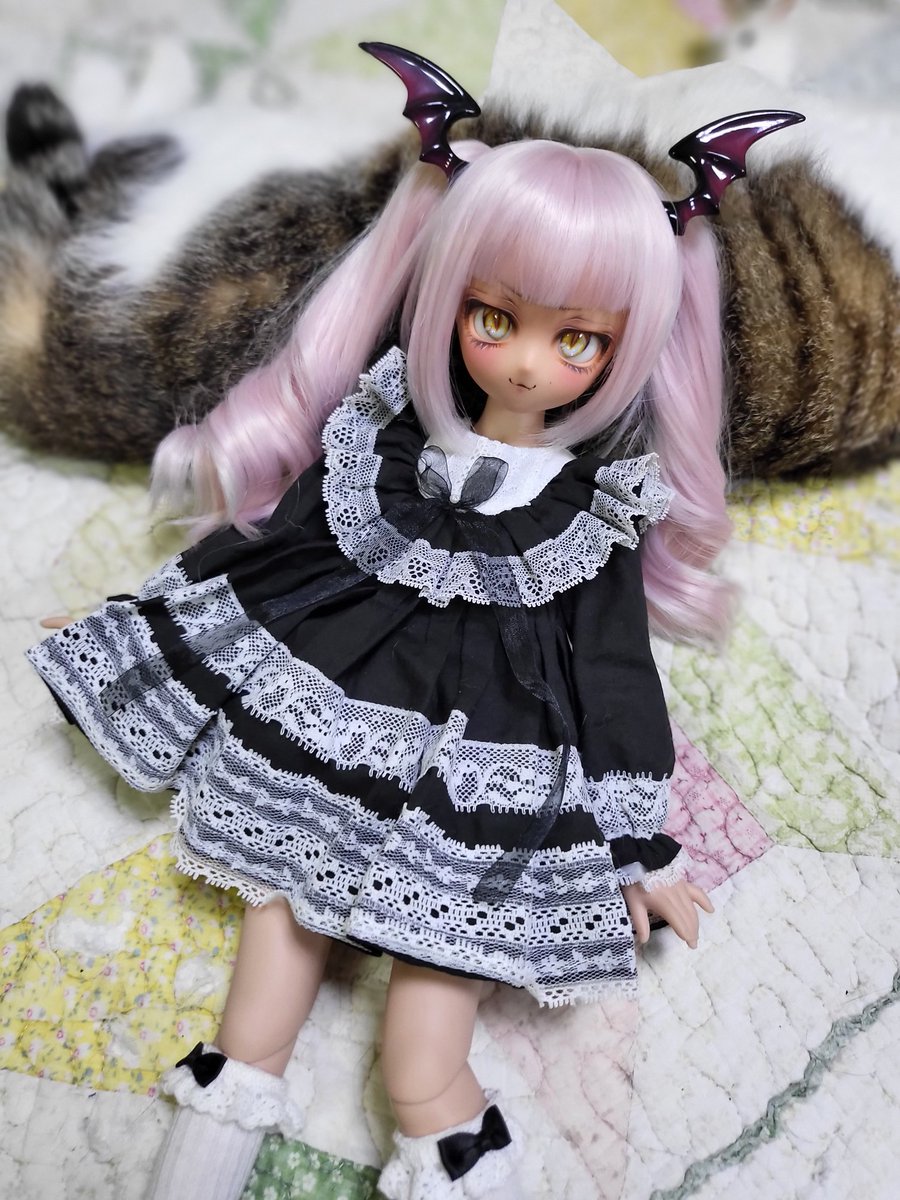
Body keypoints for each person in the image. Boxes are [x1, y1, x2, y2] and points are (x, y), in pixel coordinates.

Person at [28, 44, 798, 1200]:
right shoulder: (383, 440)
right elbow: (284, 551)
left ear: (624, 344)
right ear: (452, 300)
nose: (526, 362)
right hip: (327, 743)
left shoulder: (595, 509)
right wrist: (160, 624)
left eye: (576, 339)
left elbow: (613, 671)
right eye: (495, 317)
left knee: (423, 1066)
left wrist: (639, 846)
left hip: (485, 791)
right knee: (253, 1017)